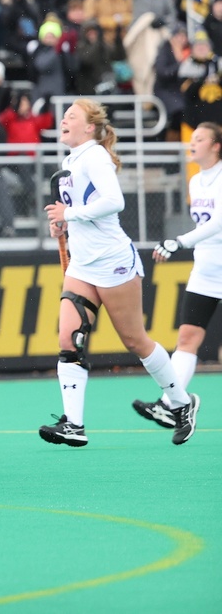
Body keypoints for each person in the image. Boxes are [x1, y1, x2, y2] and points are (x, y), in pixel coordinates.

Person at [40, 99, 199, 448]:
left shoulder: (95, 155)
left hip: (112, 260)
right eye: (64, 116)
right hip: (83, 263)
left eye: (72, 117)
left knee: (135, 341)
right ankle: (73, 424)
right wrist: (62, 226)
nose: (64, 120)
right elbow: (79, 212)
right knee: (69, 338)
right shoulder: (71, 160)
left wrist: (71, 214)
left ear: (90, 128)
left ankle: (181, 403)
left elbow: (114, 201)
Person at [138, 122, 222, 426]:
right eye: (192, 137)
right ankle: (170, 403)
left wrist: (180, 241)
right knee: (187, 337)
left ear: (216, 146)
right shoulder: (196, 181)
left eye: (200, 139)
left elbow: (217, 223)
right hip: (207, 269)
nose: (192, 142)